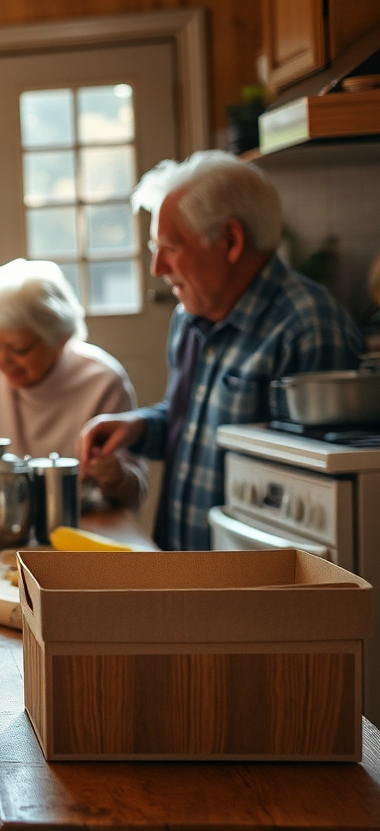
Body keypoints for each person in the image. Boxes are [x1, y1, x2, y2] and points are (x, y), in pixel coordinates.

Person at [79, 150, 364, 550]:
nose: (157, 268)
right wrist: (139, 427)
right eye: (152, 248)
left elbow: (316, 504)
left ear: (231, 241)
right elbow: (190, 421)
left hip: (255, 588)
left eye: (171, 248)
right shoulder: (189, 318)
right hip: (185, 565)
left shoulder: (309, 329)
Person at [0, 258, 146, 509]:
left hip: (81, 528)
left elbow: (135, 493)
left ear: (59, 340)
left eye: (19, 349)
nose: (3, 360)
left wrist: (114, 476)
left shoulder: (102, 380)